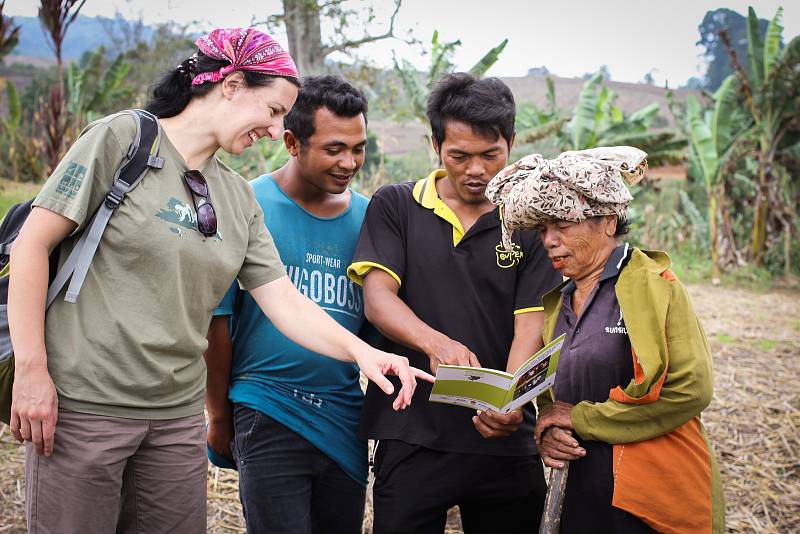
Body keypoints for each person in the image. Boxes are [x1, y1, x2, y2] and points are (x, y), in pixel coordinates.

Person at [7, 28, 429, 534]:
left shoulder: (235, 198)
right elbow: (33, 244)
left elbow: (285, 302)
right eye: (273, 112)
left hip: (175, 423)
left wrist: (364, 353)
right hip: (86, 408)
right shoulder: (123, 140)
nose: (276, 132)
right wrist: (32, 371)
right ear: (230, 84)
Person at [346, 73, 562, 534]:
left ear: (512, 143)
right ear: (436, 146)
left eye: (491, 155)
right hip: (412, 432)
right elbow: (379, 299)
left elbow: (531, 324)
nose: (477, 171)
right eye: (460, 156)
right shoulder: (397, 206)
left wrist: (510, 400)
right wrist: (435, 344)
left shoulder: (529, 222)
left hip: (504, 441)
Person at [486, 147, 725, 533]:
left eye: (562, 225)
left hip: (652, 498)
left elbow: (692, 389)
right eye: (543, 229)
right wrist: (550, 433)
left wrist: (581, 418)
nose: (549, 240)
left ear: (608, 222)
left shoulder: (652, 285)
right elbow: (557, 403)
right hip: (583, 494)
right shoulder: (558, 303)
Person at [204, 75, 372, 534]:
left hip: (343, 418)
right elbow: (216, 323)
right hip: (266, 409)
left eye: (358, 148)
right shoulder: (247, 204)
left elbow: (375, 323)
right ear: (293, 142)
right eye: (334, 148)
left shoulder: (370, 218)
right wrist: (219, 414)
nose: (349, 162)